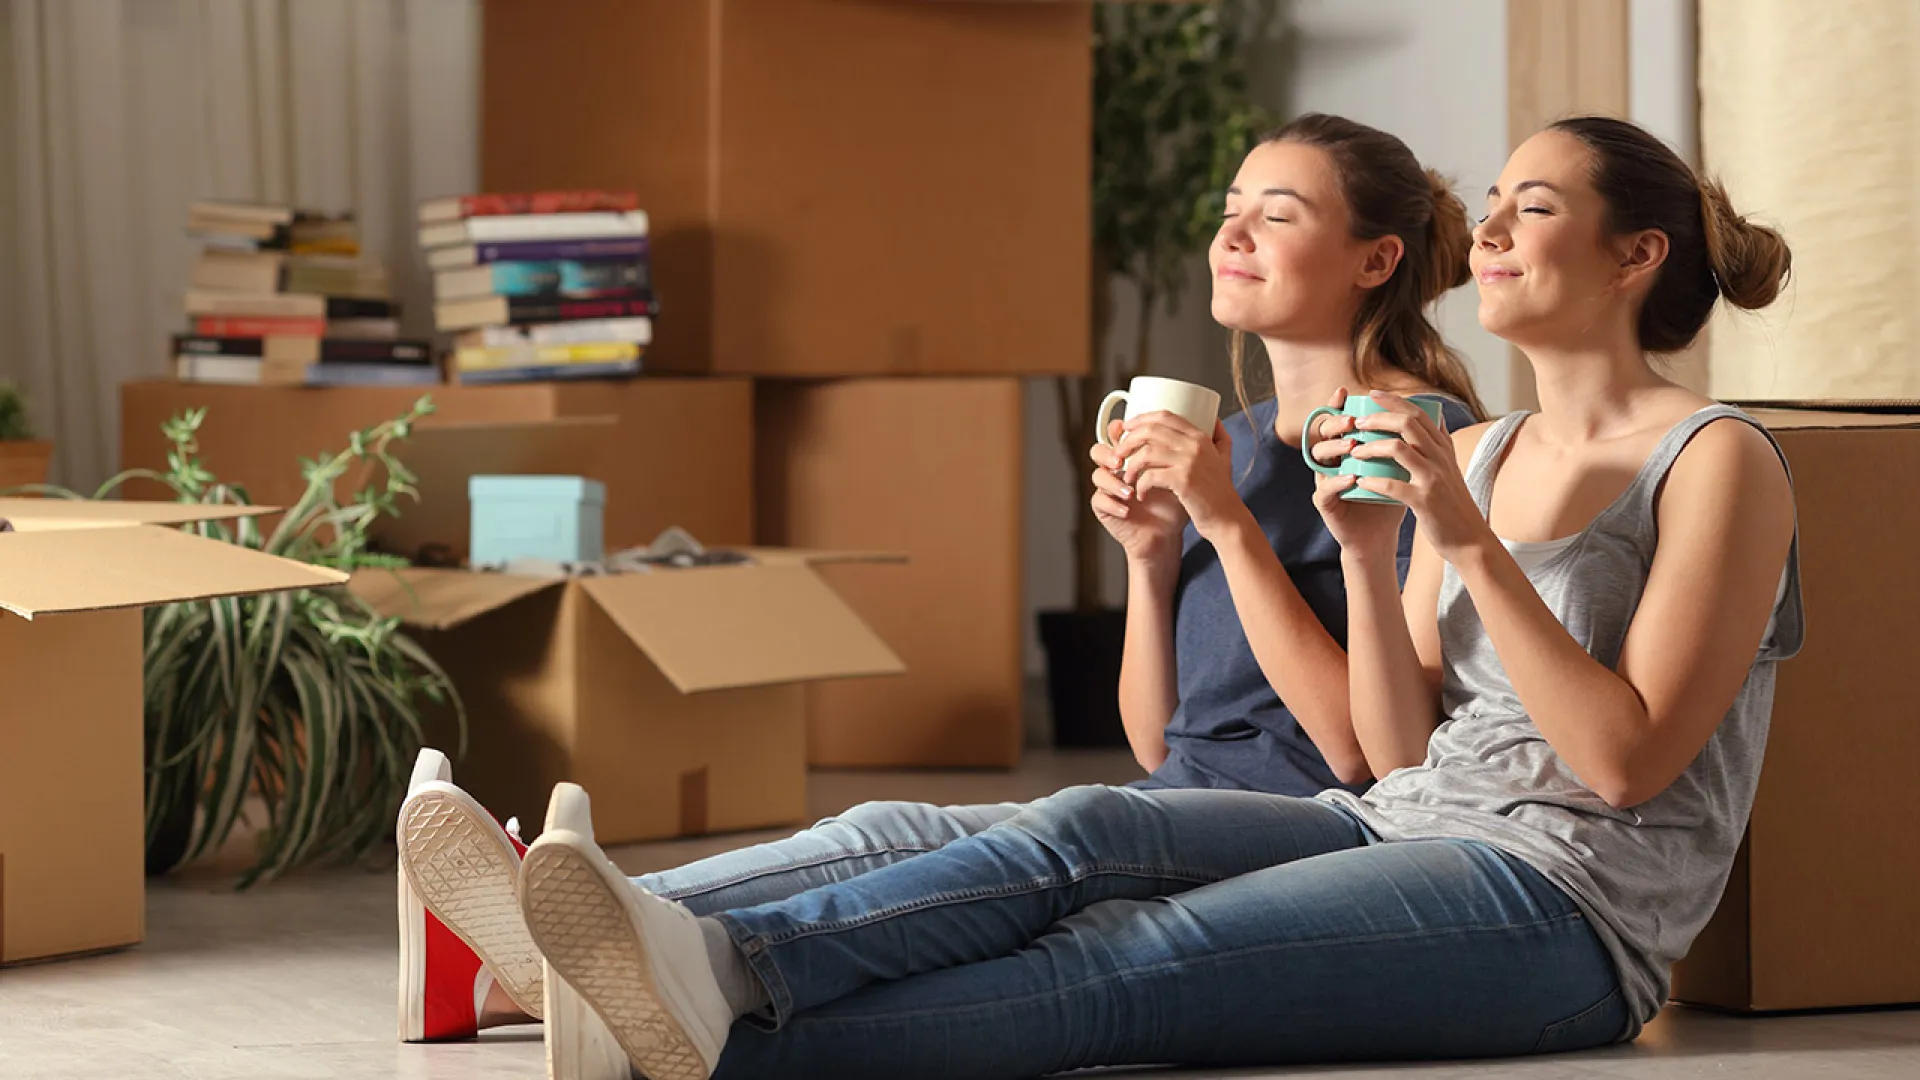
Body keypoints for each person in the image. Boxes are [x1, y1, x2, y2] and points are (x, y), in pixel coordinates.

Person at [509, 114, 1805, 1080]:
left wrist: (1459, 547)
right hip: (1401, 825)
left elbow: (1628, 766)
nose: (1497, 234)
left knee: (1126, 967)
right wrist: (1368, 549)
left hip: (1565, 913)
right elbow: (1399, 751)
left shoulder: (1718, 462)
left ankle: (707, 1033)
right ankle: (692, 961)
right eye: (1500, 207)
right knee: (1084, 829)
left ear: (1635, 255)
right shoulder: (1479, 453)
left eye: (1534, 207)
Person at [392, 112, 1484, 1044]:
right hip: (1179, 797)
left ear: (1375, 260)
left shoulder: (1416, 439)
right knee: (889, 827)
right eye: (1232, 206)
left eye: (1276, 216)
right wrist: (1150, 564)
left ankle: (640, 953)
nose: (1231, 235)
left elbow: (1361, 755)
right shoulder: (1234, 440)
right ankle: (526, 930)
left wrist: (1227, 527)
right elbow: (1164, 744)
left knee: (1026, 842)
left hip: (1313, 829)